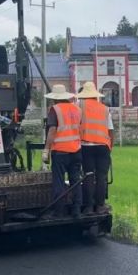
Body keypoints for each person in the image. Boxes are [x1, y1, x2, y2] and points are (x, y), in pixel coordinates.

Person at [42, 84, 83, 218]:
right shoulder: (77, 109)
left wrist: (46, 149)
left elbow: (52, 130)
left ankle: (59, 211)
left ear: (55, 99)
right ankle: (76, 210)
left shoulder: (55, 110)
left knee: (59, 181)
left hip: (60, 152)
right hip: (76, 150)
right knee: (75, 180)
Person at [77, 81, 113, 214]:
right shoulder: (105, 109)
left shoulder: (79, 106)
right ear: (95, 95)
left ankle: (88, 207)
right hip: (103, 147)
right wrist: (110, 147)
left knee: (88, 175)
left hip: (86, 146)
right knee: (102, 176)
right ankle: (100, 206)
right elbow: (110, 131)